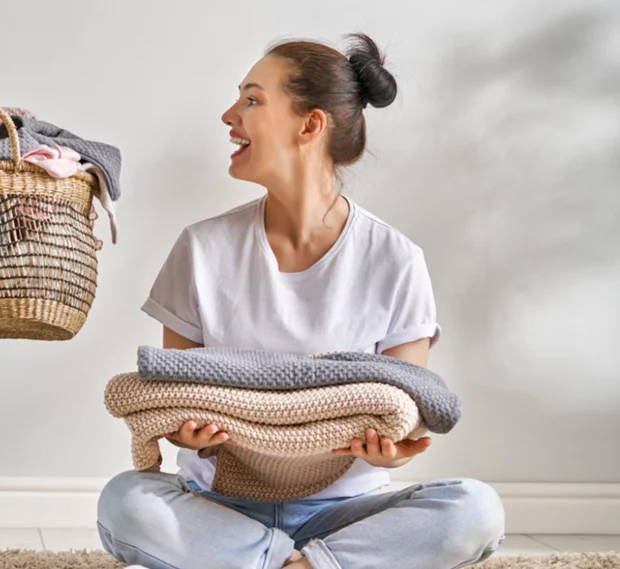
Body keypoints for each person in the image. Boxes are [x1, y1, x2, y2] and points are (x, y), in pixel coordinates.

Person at [96, 34, 506, 569]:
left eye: (251, 99)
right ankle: (306, 564)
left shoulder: (395, 258)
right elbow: (177, 391)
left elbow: (407, 408)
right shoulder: (201, 247)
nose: (228, 114)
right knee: (126, 501)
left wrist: (397, 444)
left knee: (475, 510)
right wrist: (181, 429)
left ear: (309, 125)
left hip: (347, 510)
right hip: (220, 507)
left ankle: (298, 562)